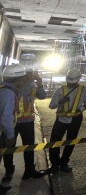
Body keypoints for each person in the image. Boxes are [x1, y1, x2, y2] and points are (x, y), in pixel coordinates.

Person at [2, 67, 46, 182]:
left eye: (31, 74)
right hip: (14, 122)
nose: (30, 76)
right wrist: (27, 81)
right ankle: (9, 170)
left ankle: (29, 170)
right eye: (27, 74)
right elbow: (19, 91)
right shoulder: (14, 87)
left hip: (28, 121)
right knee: (9, 147)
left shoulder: (32, 86)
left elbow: (42, 96)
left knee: (29, 146)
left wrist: (40, 84)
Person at [47, 69, 86, 174]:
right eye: (69, 81)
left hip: (76, 119)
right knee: (54, 142)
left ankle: (64, 163)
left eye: (73, 82)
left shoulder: (84, 90)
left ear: (78, 80)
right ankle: (54, 164)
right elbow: (51, 106)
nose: (70, 84)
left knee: (70, 142)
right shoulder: (60, 90)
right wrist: (60, 102)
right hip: (61, 120)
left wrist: (80, 109)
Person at [0, 65, 25, 194]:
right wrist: (10, 135)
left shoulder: (2, 88)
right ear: (19, 79)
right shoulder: (8, 93)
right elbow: (5, 117)